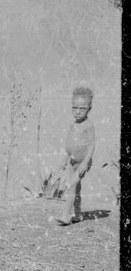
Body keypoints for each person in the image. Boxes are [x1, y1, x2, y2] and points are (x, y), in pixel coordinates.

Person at [55, 86, 96, 225]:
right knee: (76, 187)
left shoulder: (88, 125)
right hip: (72, 161)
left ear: (89, 108)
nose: (77, 112)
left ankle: (66, 216)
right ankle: (77, 214)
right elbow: (69, 142)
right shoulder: (73, 125)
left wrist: (85, 162)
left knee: (71, 185)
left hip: (83, 162)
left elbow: (91, 145)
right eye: (74, 108)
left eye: (82, 109)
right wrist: (65, 157)